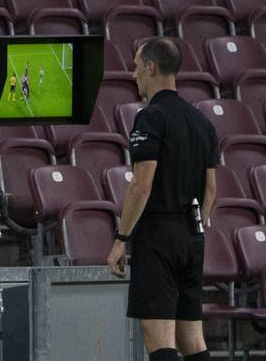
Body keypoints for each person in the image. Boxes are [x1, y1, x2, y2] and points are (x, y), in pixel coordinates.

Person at [107, 38, 218, 361]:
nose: (133, 75)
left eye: (136, 67)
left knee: (159, 343)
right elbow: (211, 189)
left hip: (158, 236)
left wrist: (120, 239)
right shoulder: (203, 123)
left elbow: (141, 185)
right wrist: (196, 227)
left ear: (151, 67)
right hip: (192, 237)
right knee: (192, 341)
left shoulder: (150, 118)